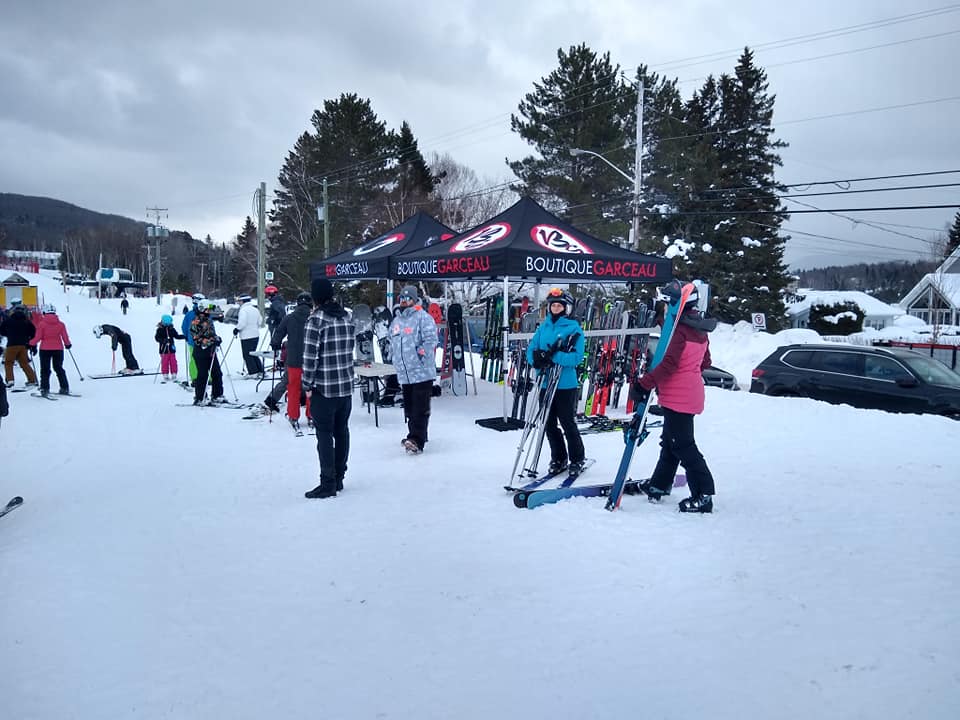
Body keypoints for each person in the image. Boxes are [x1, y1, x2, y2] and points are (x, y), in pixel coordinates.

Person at [632, 280, 718, 513]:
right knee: (670, 443)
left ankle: (703, 494)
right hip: (686, 393)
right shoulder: (698, 328)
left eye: (668, 303)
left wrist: (643, 384)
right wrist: (688, 375)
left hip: (680, 396)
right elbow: (705, 362)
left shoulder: (679, 331)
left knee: (683, 445)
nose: (666, 308)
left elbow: (668, 365)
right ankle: (659, 485)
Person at [302, 278, 355, 499]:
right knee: (342, 431)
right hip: (345, 386)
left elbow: (309, 357)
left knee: (324, 434)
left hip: (324, 388)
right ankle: (340, 476)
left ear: (315, 297)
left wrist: (306, 385)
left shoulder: (316, 320)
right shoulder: (347, 317)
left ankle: (328, 482)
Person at [526, 288, 586, 476]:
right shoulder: (543, 327)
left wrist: (555, 356)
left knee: (567, 423)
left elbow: (576, 358)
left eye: (560, 305)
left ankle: (577, 458)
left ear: (566, 308)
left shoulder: (573, 329)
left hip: (565, 384)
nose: (556, 308)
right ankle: (559, 457)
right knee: (548, 424)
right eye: (553, 305)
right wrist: (537, 360)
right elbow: (531, 349)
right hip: (545, 382)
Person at [388, 285, 439, 454]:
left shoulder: (423, 318)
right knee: (410, 407)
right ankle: (416, 435)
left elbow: (431, 340)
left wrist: (420, 355)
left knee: (420, 406)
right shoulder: (396, 321)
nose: (404, 301)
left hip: (421, 372)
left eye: (408, 298)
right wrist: (393, 356)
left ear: (415, 299)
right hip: (405, 373)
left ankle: (416, 439)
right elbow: (392, 340)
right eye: (402, 298)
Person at [269, 291, 313, 431]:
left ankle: (293, 415)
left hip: (293, 360)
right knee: (311, 389)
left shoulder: (290, 317)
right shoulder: (314, 318)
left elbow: (278, 333)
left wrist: (275, 343)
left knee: (293, 388)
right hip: (311, 360)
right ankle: (312, 415)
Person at [30, 304, 72, 397]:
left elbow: (38, 337)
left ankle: (45, 389)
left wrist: (31, 344)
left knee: (45, 369)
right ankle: (64, 387)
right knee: (58, 368)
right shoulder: (61, 324)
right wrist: (67, 344)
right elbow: (65, 336)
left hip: (45, 349)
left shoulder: (42, 324)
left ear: (44, 312)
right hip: (58, 349)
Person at [189, 302, 225, 405]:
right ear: (202, 309)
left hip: (211, 351)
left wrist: (217, 338)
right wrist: (212, 341)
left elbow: (211, 334)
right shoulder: (195, 322)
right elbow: (197, 339)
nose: (209, 311)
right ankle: (200, 397)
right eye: (207, 309)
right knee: (203, 375)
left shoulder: (208, 320)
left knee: (217, 373)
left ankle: (217, 395)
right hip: (201, 352)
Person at [0, 302, 38, 389]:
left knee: (8, 363)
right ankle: (32, 379)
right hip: (24, 345)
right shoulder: (27, 321)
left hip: (12, 345)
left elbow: (1, 331)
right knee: (24, 363)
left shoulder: (8, 320)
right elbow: (33, 333)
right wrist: (31, 344)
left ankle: (10, 381)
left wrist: (8, 334)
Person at [234, 294, 264, 377]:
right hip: (255, 335)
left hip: (246, 336)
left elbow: (242, 323)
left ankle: (253, 372)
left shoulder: (243, 310)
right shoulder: (255, 309)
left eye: (239, 301)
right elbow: (260, 321)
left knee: (247, 354)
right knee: (254, 353)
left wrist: (237, 329)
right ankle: (260, 370)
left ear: (243, 301)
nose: (238, 303)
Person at [181, 293, 205, 385]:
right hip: (204, 341)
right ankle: (208, 377)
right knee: (206, 359)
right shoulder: (206, 313)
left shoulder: (189, 314)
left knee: (194, 359)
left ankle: (195, 377)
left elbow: (184, 327)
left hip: (193, 341)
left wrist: (187, 336)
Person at [155, 314, 185, 381]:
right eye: (166, 323)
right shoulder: (159, 330)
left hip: (171, 349)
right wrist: (163, 340)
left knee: (173, 361)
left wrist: (184, 336)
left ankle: (174, 373)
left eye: (169, 323)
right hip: (163, 349)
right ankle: (165, 374)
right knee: (165, 362)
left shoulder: (172, 329)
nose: (167, 325)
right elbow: (157, 338)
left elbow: (176, 336)